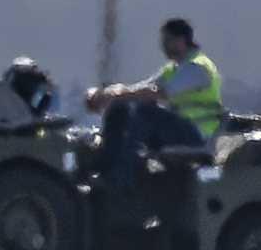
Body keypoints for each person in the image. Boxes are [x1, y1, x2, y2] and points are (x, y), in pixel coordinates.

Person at [89, 17, 224, 184]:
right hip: (178, 130)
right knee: (121, 107)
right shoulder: (172, 69)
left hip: (196, 134)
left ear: (181, 40)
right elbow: (143, 87)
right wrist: (112, 94)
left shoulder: (197, 67)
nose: (163, 46)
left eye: (167, 40)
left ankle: (122, 176)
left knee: (145, 112)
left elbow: (159, 92)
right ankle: (106, 163)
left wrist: (116, 94)